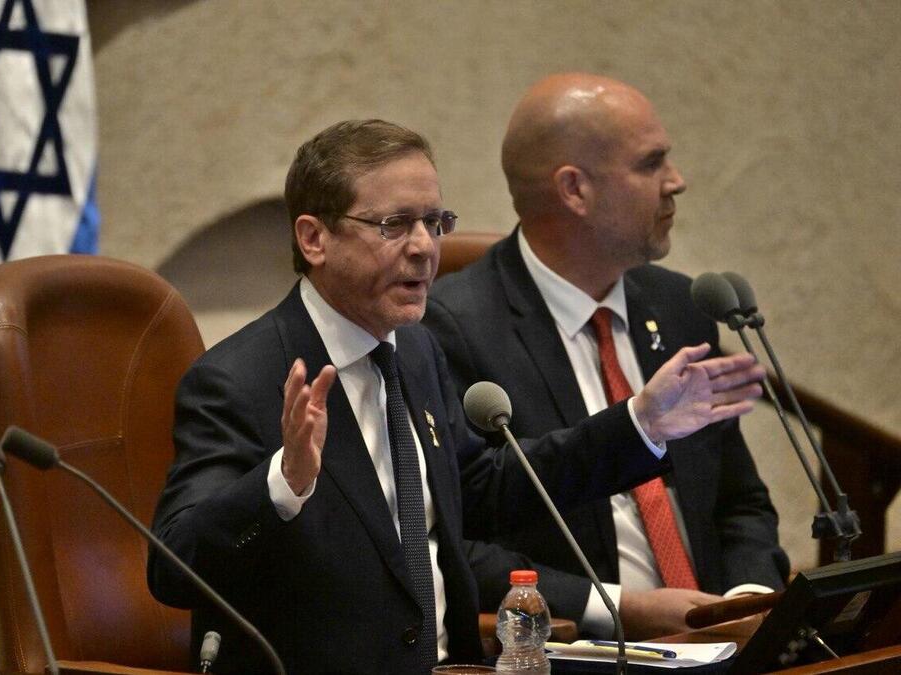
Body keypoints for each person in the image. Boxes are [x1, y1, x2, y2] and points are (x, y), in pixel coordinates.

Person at [148, 119, 765, 674]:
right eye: (393, 224)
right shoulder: (238, 377)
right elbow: (174, 568)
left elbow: (488, 493)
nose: (424, 246)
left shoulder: (414, 352)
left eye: (434, 222)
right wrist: (284, 483)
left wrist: (639, 426)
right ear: (314, 239)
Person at [424, 73, 790, 641]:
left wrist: (745, 600)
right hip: (585, 649)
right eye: (651, 164)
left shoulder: (678, 306)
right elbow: (457, 539)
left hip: (726, 647)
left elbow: (738, 500)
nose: (677, 182)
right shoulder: (452, 329)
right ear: (575, 189)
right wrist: (623, 609)